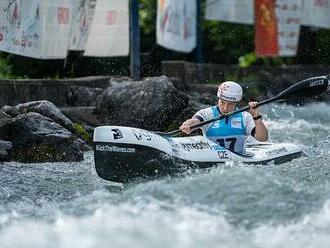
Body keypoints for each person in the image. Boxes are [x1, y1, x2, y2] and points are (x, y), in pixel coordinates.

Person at [179, 81, 268, 154]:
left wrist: (256, 116)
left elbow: (262, 138)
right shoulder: (207, 113)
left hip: (238, 162)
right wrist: (187, 124)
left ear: (237, 103)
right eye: (222, 102)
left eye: (230, 104)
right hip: (212, 159)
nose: (225, 108)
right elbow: (195, 121)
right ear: (218, 99)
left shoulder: (245, 117)